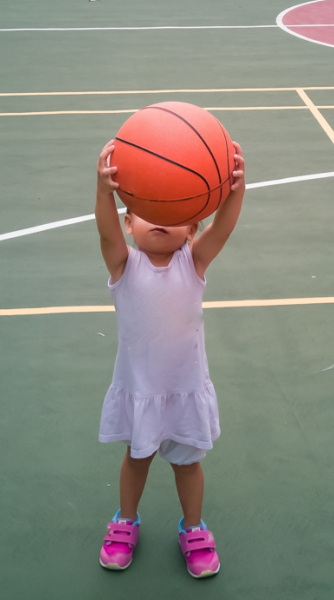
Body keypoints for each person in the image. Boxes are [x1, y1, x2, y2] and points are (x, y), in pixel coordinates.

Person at [93, 138, 245, 578]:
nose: (160, 222)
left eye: (174, 216)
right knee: (135, 459)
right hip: (141, 389)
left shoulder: (193, 264)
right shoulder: (123, 266)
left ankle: (193, 527)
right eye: (148, 214)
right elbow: (103, 231)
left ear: (192, 229)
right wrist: (103, 189)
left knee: (189, 465)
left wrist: (235, 189)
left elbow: (225, 229)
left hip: (183, 391)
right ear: (128, 222)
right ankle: (125, 521)